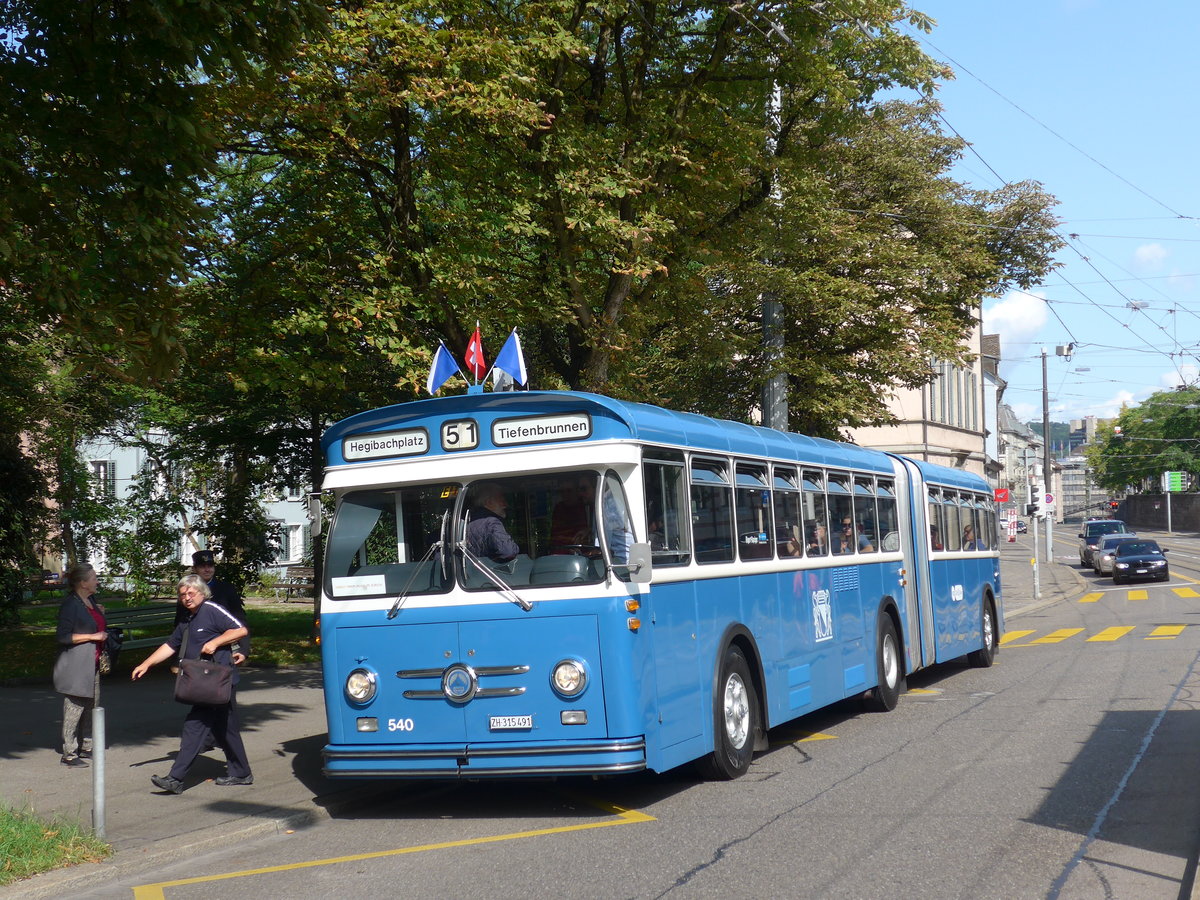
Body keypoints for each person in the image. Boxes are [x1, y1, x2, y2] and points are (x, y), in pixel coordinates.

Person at [131, 574, 252, 794]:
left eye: (191, 593)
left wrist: (214, 642)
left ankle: (176, 778)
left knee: (194, 726)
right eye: (182, 594)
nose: (187, 597)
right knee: (226, 729)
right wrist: (146, 664)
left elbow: (240, 630)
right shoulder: (188, 619)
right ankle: (241, 772)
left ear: (202, 593)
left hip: (216, 682)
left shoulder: (211, 610)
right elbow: (170, 645)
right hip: (208, 682)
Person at [53, 564, 107, 768]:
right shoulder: (70, 604)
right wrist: (92, 636)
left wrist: (100, 613)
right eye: (94, 578)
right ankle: (69, 752)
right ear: (83, 583)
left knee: (91, 707)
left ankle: (86, 746)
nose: (97, 581)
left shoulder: (90, 600)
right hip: (76, 665)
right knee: (74, 708)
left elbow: (94, 622)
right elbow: (63, 636)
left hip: (92, 663)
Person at [183, 549, 248, 659]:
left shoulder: (226, 589)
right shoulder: (186, 592)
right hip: (196, 649)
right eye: (202, 566)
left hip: (224, 648)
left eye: (210, 565)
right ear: (194, 569)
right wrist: (177, 659)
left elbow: (240, 619)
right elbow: (181, 625)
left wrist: (243, 650)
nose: (207, 569)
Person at [465, 483, 520, 562]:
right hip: (489, 571)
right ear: (489, 502)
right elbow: (508, 552)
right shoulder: (492, 522)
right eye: (502, 501)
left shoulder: (468, 520)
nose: (505, 505)